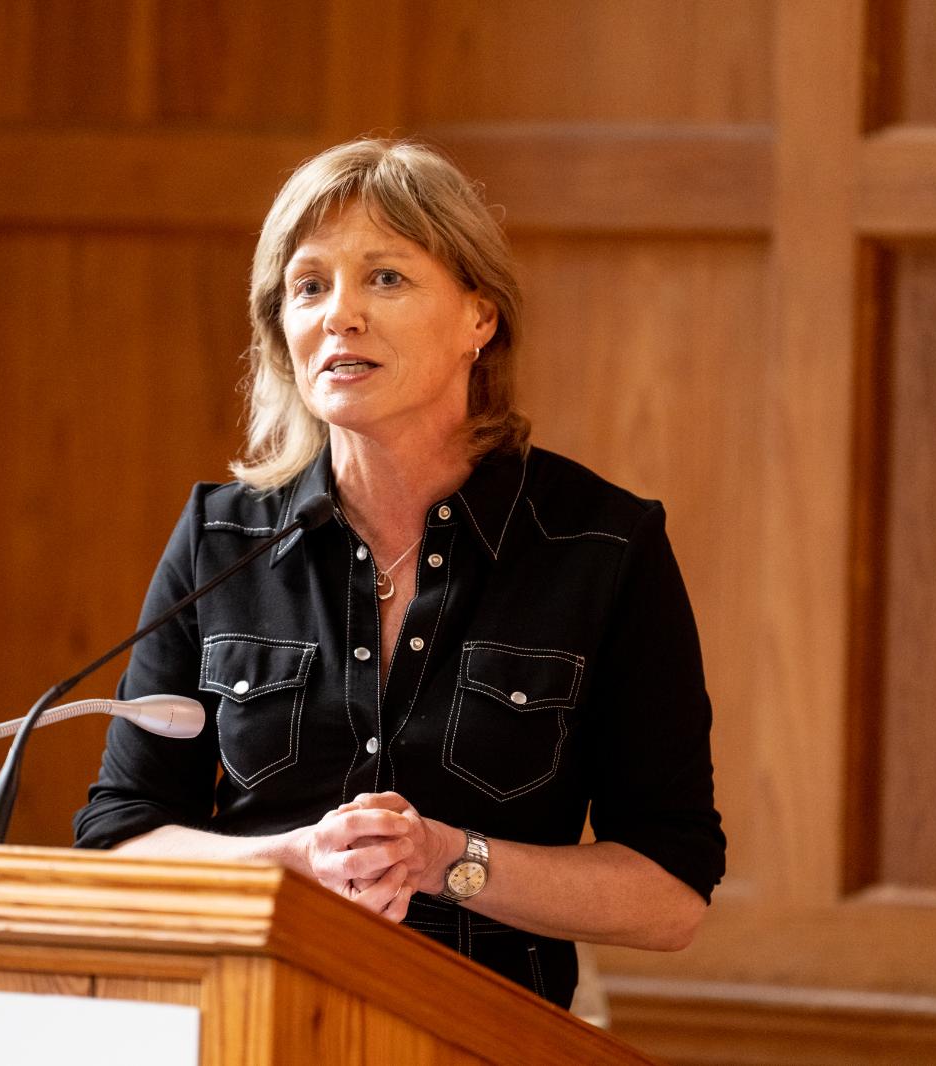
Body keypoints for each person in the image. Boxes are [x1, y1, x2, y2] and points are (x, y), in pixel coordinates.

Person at [73, 138, 725, 1008]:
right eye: (308, 286)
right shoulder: (221, 539)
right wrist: (294, 860)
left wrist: (447, 861)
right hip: (246, 1020)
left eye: (385, 278)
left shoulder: (600, 545)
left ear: (478, 318)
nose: (339, 315)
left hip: (485, 1030)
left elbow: (670, 893)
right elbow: (119, 840)